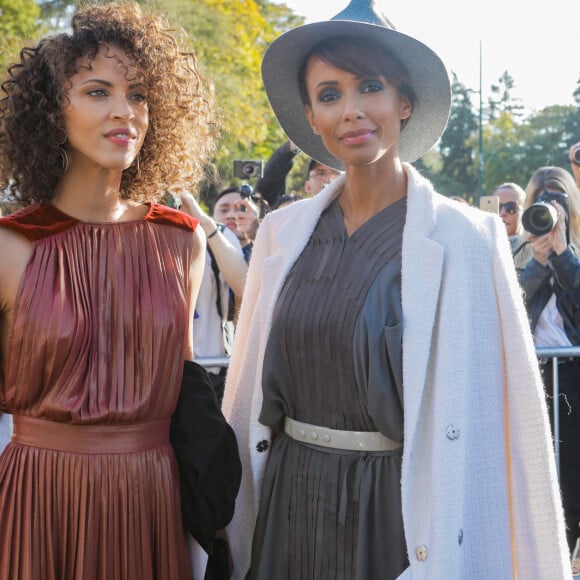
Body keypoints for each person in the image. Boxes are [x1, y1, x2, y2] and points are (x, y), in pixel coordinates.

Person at [221, 1, 570, 578]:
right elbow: (246, 396)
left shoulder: (468, 238)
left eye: (371, 86)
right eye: (329, 94)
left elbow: (499, 419)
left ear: (404, 101)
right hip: (286, 501)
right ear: (311, 115)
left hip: (398, 515)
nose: (352, 110)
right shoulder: (283, 234)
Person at [0, 3, 217, 578]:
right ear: (52, 112)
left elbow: (187, 396)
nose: (126, 112)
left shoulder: (182, 244)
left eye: (140, 95)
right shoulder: (10, 247)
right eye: (98, 92)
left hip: (151, 499)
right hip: (38, 501)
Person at [518, 165, 580, 552]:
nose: (549, 212)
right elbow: (511, 308)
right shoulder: (519, 251)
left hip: (574, 380)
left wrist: (562, 255)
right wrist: (538, 264)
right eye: (540, 202)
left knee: (571, 478)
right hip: (533, 378)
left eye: (557, 201)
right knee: (538, 479)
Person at [179, 192, 247, 403]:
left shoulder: (219, 234)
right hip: (153, 373)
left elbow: (245, 286)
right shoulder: (138, 228)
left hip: (208, 370)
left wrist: (205, 223)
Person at [255, 139, 340, 204]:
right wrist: (293, 146)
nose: (329, 179)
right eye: (321, 174)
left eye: (336, 173)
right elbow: (266, 192)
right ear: (308, 186)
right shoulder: (297, 216)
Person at [492, 182, 533, 272]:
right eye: (497, 206)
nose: (502, 213)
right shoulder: (479, 247)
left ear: (524, 211)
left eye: (511, 208)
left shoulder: (535, 250)